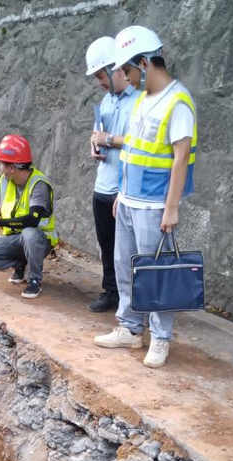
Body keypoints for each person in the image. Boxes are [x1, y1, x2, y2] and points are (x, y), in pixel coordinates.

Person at [93, 26, 197, 368]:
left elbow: (181, 158)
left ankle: (161, 337)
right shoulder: (143, 100)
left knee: (156, 273)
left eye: (127, 69)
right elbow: (133, 151)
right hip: (130, 200)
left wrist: (171, 208)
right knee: (125, 267)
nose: (124, 76)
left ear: (144, 62)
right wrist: (122, 193)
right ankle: (130, 328)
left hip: (155, 205)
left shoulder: (178, 101)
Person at [83, 36, 138, 313]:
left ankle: (135, 300)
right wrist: (95, 144)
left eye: (100, 75)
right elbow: (98, 133)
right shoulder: (106, 101)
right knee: (107, 246)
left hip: (126, 187)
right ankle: (111, 292)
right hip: (103, 184)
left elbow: (142, 141)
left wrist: (110, 139)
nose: (99, 82)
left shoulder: (140, 100)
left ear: (116, 69)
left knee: (126, 250)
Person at [0, 135, 58, 299]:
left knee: (29, 233)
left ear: (12, 167)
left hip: (39, 241)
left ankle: (34, 281)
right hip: (14, 240)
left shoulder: (38, 185)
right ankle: (20, 263)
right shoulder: (4, 181)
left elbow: (32, 220)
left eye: (2, 163)